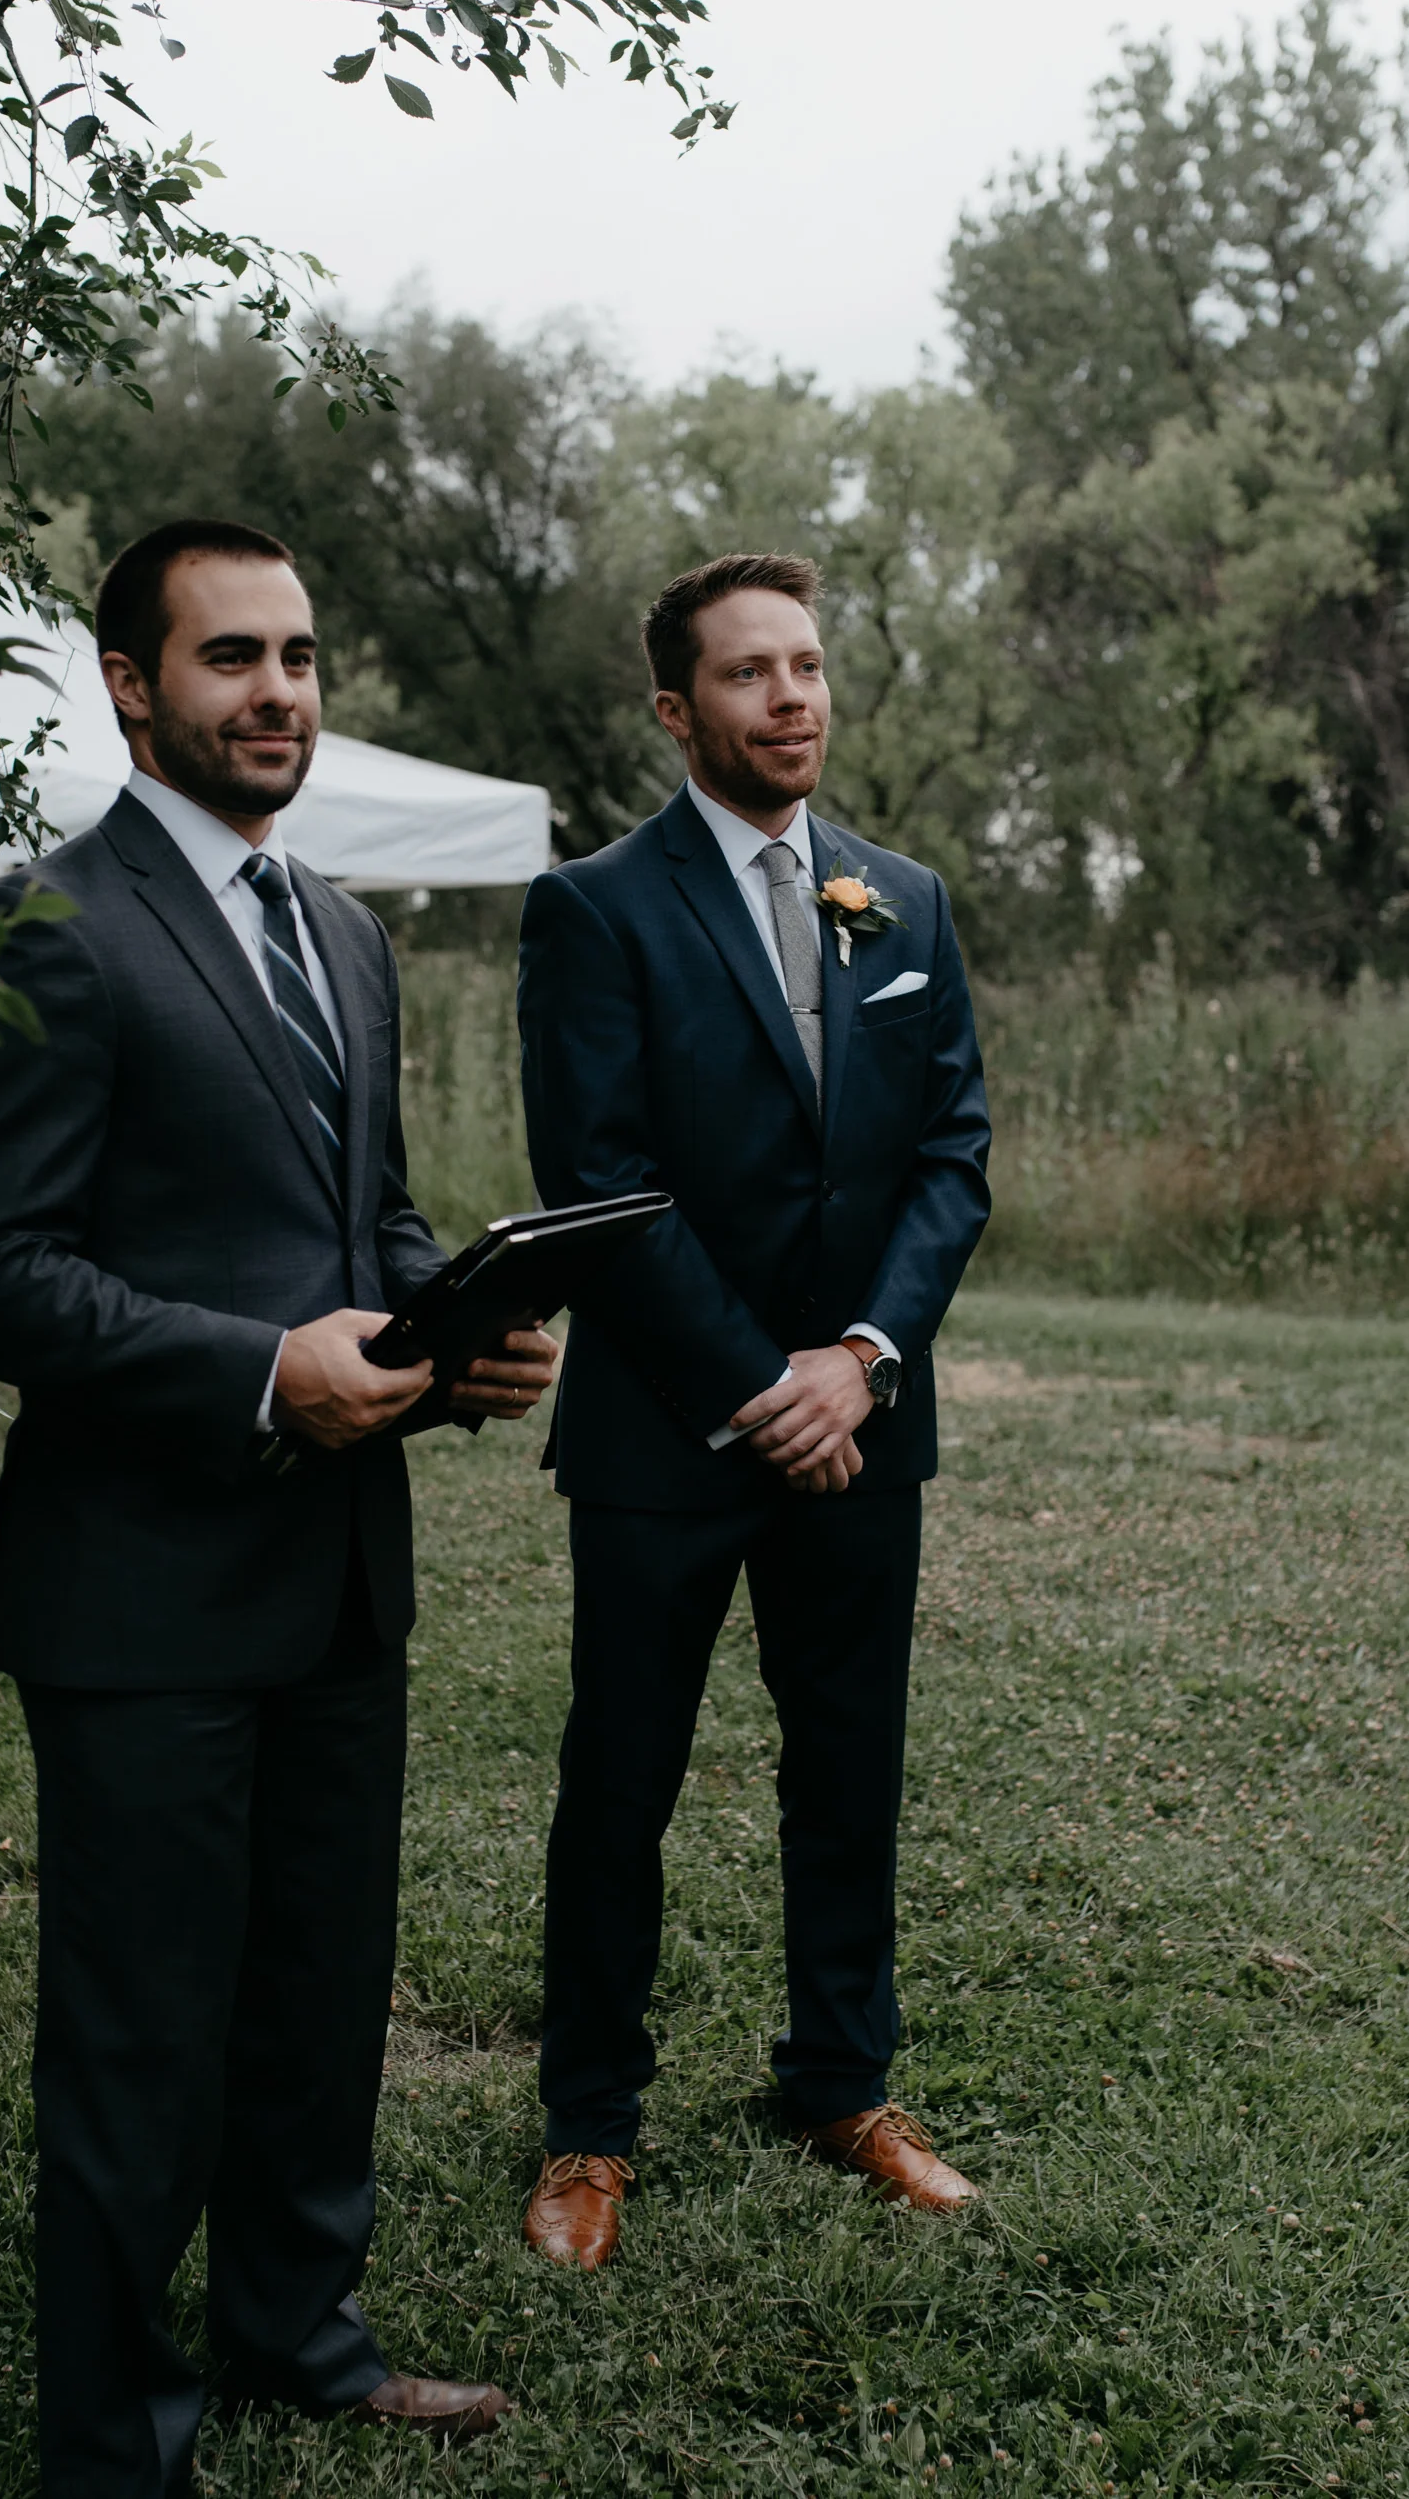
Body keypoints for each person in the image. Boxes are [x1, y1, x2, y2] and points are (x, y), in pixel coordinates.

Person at [0, 518, 557, 2493]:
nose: (278, 691)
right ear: (132, 684)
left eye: (299, 655)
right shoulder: (43, 925)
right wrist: (261, 1370)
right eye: (231, 657)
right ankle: (117, 2443)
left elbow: (366, 1220)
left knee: (316, 2001)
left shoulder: (343, 930)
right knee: (141, 2042)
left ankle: (302, 2333)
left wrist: (458, 1328)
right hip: (138, 1593)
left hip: (340, 1579)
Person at [514, 551, 993, 2270]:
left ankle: (841, 2085)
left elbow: (952, 1156)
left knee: (850, 1765)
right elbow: (601, 1183)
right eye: (746, 673)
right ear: (675, 708)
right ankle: (589, 2128)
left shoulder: (903, 900)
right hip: (666, 1424)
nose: (790, 697)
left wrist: (858, 1359)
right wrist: (755, 1385)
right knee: (620, 1780)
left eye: (806, 665)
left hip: (863, 1422)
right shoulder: (594, 908)